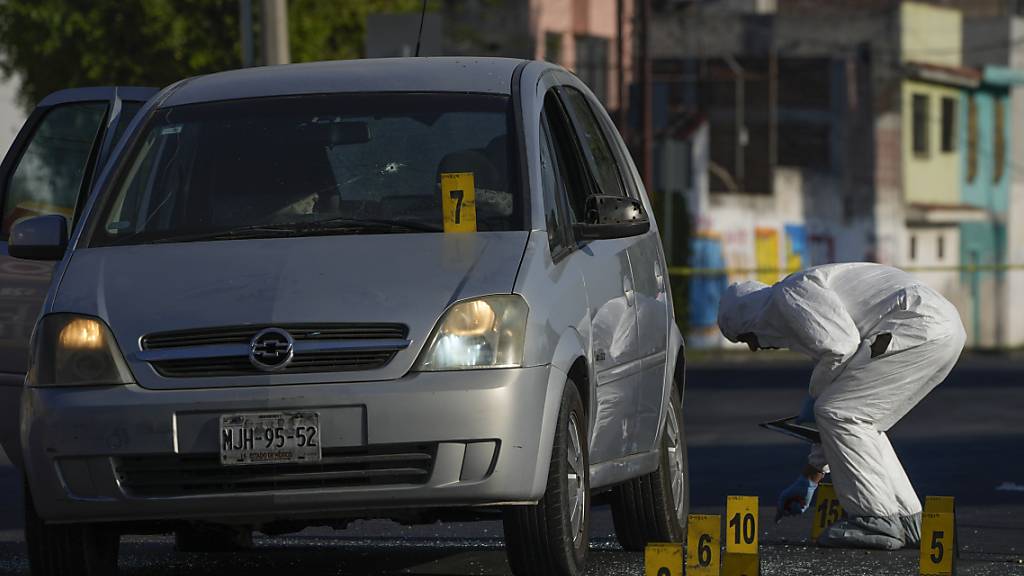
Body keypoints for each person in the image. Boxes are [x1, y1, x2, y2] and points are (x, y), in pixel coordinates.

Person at [717, 263, 966, 550]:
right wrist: (810, 476)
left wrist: (816, 394)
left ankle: (876, 519)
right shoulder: (798, 301)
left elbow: (841, 347)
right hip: (939, 327)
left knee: (840, 414)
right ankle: (909, 520)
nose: (753, 348)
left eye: (746, 338)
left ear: (750, 318)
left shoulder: (791, 294)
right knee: (859, 420)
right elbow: (837, 378)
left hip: (916, 325)